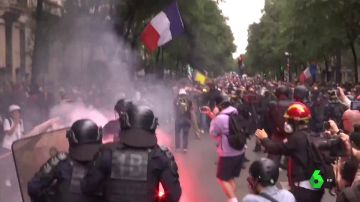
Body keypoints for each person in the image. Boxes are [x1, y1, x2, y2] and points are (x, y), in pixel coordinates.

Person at [81, 103, 182, 202]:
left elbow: (88, 188)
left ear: (124, 124)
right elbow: (174, 195)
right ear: (153, 126)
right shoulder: (160, 156)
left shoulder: (106, 153)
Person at [255, 102, 325, 202]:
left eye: (288, 120)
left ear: (295, 121)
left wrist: (264, 138)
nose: (286, 123)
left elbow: (275, 148)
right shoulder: (311, 135)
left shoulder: (297, 138)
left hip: (303, 189)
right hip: (316, 184)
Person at [28, 119, 102, 202]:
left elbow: (34, 188)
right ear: (99, 136)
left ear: (71, 138)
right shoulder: (110, 159)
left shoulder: (60, 161)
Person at [208, 95, 245, 202]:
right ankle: (231, 198)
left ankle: (233, 199)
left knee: (222, 178)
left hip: (228, 154)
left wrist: (213, 118)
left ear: (219, 106)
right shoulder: (235, 112)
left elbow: (213, 134)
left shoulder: (220, 118)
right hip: (240, 150)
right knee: (230, 178)